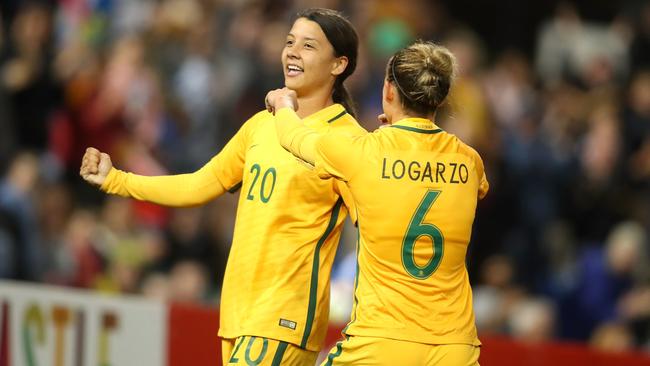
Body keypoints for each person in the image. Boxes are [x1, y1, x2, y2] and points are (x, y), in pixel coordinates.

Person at [80, 8, 365, 366]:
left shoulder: (347, 140)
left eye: (308, 46)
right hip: (237, 313)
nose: (292, 52)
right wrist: (117, 180)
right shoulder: (262, 124)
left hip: (284, 317)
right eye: (289, 42)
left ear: (338, 64)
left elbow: (374, 227)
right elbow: (202, 183)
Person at [266, 40, 489, 365]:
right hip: (455, 348)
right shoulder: (470, 161)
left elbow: (293, 138)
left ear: (388, 91)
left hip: (381, 343)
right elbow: (477, 188)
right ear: (439, 99)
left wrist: (283, 103)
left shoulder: (362, 153)